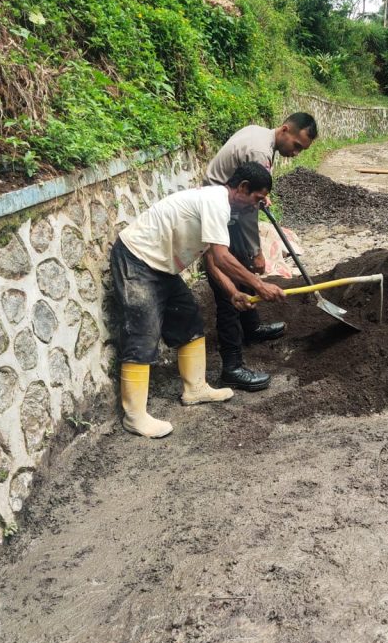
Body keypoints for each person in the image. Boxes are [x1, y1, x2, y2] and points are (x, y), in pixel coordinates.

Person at [112, 163, 286, 439]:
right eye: (256, 198)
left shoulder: (221, 208)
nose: (257, 205)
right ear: (242, 188)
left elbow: (210, 258)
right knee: (143, 331)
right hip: (137, 258)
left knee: (189, 319)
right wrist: (259, 285)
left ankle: (195, 389)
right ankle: (134, 416)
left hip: (161, 265)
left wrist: (232, 292)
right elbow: (221, 256)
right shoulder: (216, 201)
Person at [204, 112, 318, 391]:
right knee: (229, 283)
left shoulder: (260, 135)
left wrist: (259, 194)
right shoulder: (259, 153)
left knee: (238, 272)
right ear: (285, 130)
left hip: (227, 203)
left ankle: (251, 328)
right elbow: (248, 209)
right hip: (222, 211)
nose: (296, 153)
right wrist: (256, 251)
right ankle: (231, 367)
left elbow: (250, 192)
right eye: (297, 146)